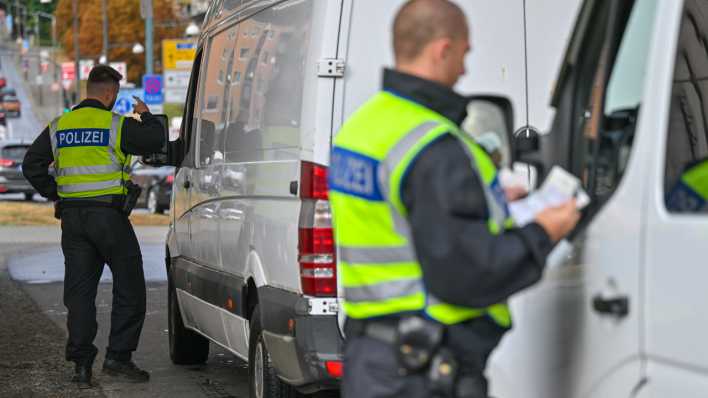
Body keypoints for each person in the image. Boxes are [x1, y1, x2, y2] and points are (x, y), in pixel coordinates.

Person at [328, 1, 581, 397]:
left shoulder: (362, 128)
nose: (464, 69)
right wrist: (545, 231)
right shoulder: (432, 145)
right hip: (423, 371)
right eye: (464, 54)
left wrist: (489, 198)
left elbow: (400, 221)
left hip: (372, 360)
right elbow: (469, 274)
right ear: (441, 49)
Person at [22, 65, 166, 388]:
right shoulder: (115, 125)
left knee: (79, 293)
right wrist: (145, 114)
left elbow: (31, 164)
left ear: (88, 89)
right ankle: (118, 357)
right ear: (110, 93)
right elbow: (156, 139)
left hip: (73, 221)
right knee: (129, 285)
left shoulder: (60, 125)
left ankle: (81, 366)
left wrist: (55, 192)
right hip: (109, 219)